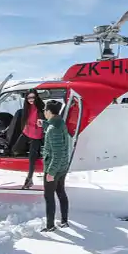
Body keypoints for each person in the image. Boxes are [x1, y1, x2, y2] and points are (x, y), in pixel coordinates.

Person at [40, 99, 71, 232]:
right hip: (63, 166)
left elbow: (57, 153)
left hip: (54, 167)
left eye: (44, 110)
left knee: (49, 196)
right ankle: (64, 221)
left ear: (49, 111)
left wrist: (51, 172)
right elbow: (57, 137)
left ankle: (50, 226)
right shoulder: (60, 123)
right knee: (61, 192)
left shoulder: (53, 129)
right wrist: (45, 124)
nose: (44, 112)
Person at [6, 89, 46, 189]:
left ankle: (29, 179)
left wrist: (41, 122)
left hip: (36, 134)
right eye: (29, 98)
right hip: (26, 132)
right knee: (15, 150)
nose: (31, 100)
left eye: (33, 97)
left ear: (36, 97)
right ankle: (28, 150)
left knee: (32, 158)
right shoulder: (26, 107)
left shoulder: (41, 108)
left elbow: (43, 119)